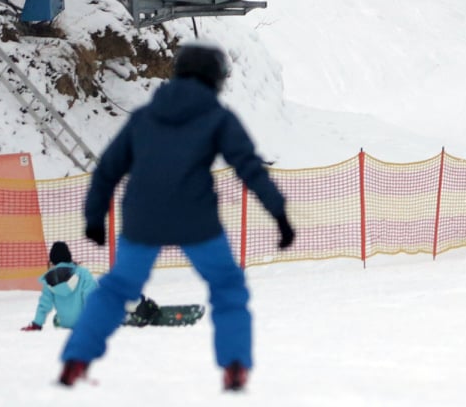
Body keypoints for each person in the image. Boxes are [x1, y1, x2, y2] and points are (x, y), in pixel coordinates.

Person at [59, 43, 293, 391]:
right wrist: (279, 215)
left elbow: (107, 169)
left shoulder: (143, 118)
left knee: (117, 289)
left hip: (142, 220)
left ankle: (76, 360)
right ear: (216, 80)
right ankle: (234, 366)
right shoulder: (217, 117)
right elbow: (248, 167)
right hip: (195, 219)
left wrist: (95, 218)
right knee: (227, 287)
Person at [25, 241, 99, 331]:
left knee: (57, 318)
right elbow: (90, 297)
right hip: (84, 322)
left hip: (64, 323)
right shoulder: (83, 273)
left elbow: (44, 304)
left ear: (52, 260)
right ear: (69, 256)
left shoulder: (49, 279)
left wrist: (37, 324)